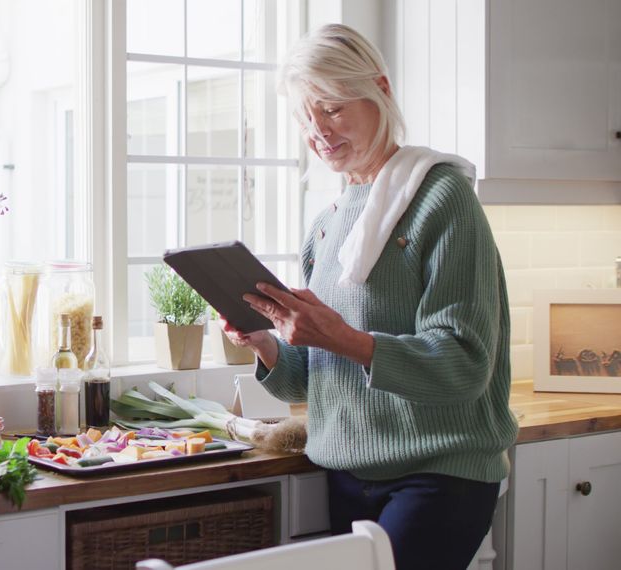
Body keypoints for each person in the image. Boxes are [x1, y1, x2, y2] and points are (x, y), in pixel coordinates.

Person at [220, 24, 518, 570]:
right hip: (348, 472)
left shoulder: (442, 198)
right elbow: (314, 378)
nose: (318, 131)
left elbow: (466, 363)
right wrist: (266, 342)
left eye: (331, 109)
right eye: (305, 117)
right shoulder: (328, 227)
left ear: (378, 87)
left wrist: (345, 337)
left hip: (440, 472)